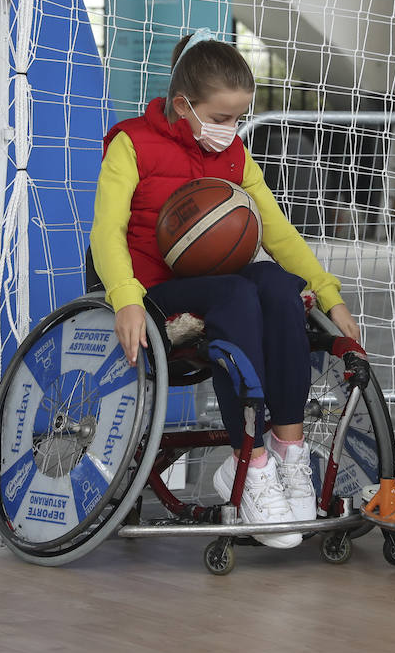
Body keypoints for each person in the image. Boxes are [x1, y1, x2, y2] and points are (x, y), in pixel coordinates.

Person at [91, 29, 362, 548]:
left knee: (279, 286)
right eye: (220, 119)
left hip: (214, 287)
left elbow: (278, 231)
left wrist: (330, 296)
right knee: (237, 294)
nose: (230, 129)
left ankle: (288, 448)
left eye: (238, 119)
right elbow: (106, 231)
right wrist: (124, 298)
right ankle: (249, 462)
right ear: (182, 106)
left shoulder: (234, 154)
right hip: (155, 296)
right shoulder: (131, 143)